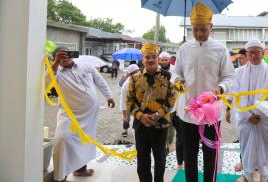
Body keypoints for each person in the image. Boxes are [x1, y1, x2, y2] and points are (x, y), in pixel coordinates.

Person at [173, 2, 235, 182]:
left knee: (211, 154)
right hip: (188, 112)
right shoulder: (184, 49)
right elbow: (175, 72)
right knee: (189, 154)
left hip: (211, 112)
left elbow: (230, 77)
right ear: (191, 27)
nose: (199, 33)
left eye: (203, 29)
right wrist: (176, 80)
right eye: (196, 29)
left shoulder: (220, 49)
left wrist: (220, 88)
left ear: (211, 27)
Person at [50, 47, 115, 182]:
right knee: (62, 139)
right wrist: (55, 63)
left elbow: (100, 81)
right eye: (60, 55)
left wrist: (109, 96)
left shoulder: (85, 65)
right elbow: (47, 83)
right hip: (69, 115)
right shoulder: (55, 72)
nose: (65, 56)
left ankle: (80, 170)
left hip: (90, 114)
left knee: (84, 141)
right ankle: (60, 177)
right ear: (55, 58)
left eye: (67, 53)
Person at [126, 42, 177, 182]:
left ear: (158, 58)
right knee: (142, 158)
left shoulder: (167, 77)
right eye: (147, 57)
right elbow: (129, 100)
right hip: (141, 125)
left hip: (161, 125)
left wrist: (158, 114)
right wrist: (140, 116)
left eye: (153, 56)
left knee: (160, 158)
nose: (150, 59)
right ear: (142, 59)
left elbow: (172, 98)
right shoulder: (135, 78)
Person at [232, 39, 268, 182]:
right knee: (247, 152)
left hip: (264, 120)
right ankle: (248, 177)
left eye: (257, 52)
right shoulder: (238, 73)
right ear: (247, 54)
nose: (254, 56)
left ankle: (265, 178)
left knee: (265, 152)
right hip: (247, 121)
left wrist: (264, 110)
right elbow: (236, 97)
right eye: (251, 53)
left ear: (263, 53)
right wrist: (247, 116)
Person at [159, 51, 184, 168]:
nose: (164, 62)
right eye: (162, 60)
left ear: (169, 60)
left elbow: (179, 84)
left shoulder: (175, 70)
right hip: (162, 105)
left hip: (175, 105)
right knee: (165, 126)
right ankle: (166, 145)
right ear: (160, 60)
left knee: (175, 127)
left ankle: (171, 144)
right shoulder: (157, 70)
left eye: (166, 60)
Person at [120, 64, 140, 137]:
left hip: (137, 104)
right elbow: (123, 100)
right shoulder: (126, 85)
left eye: (138, 71)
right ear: (130, 75)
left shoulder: (141, 79)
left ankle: (136, 130)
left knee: (136, 118)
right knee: (126, 118)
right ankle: (125, 130)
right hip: (127, 103)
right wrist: (124, 111)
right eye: (135, 72)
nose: (138, 74)